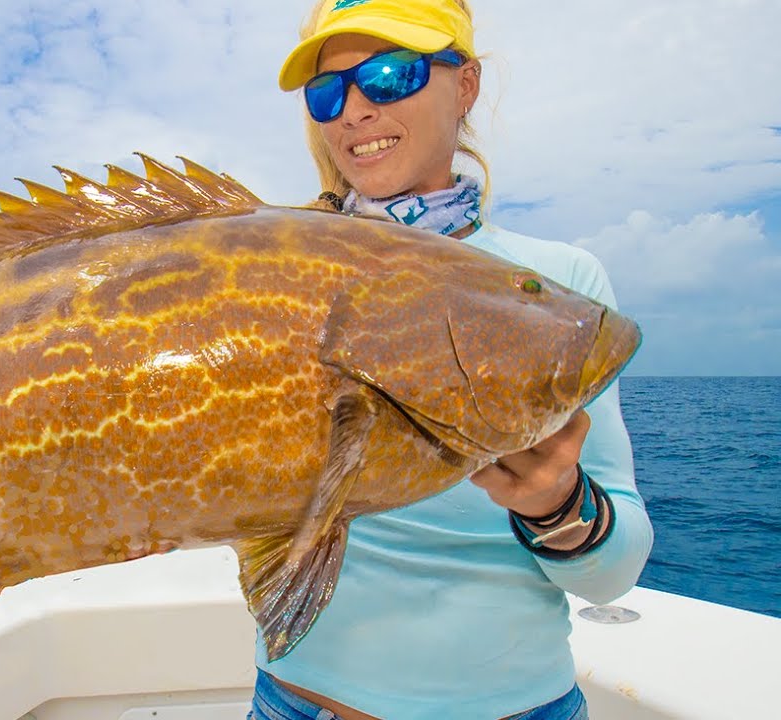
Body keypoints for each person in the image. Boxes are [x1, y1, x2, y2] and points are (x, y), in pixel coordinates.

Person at [250, 1, 654, 719]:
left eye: (388, 74)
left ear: (464, 85)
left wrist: (555, 504)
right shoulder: (275, 273)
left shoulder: (558, 288)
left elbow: (614, 574)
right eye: (327, 92)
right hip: (295, 704)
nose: (354, 111)